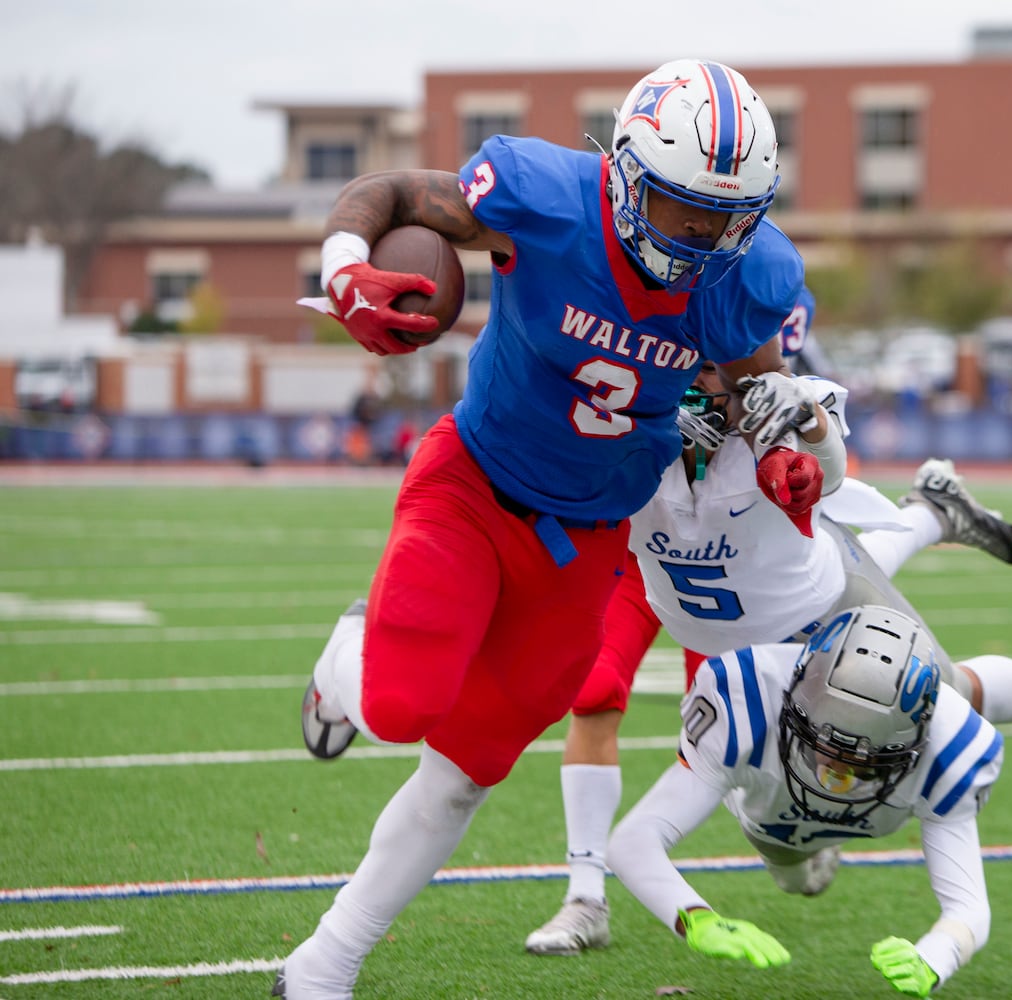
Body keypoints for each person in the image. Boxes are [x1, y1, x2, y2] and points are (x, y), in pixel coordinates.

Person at [276, 59, 817, 999]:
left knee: (467, 772)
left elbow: (750, 388)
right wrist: (346, 271)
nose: (705, 241)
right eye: (687, 214)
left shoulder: (745, 264)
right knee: (403, 709)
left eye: (729, 220)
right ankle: (349, 656)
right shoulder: (545, 196)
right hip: (474, 490)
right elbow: (391, 190)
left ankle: (323, 966)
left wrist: (770, 445)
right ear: (628, 174)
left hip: (592, 543)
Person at [523, 361, 1012, 956]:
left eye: (706, 371)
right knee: (782, 849)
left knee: (938, 695)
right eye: (682, 369)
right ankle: (933, 512)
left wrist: (800, 420)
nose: (693, 387)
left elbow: (825, 473)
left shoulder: (768, 407)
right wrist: (640, 446)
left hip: (826, 605)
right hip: (733, 636)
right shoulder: (620, 426)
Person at [606, 605, 1012, 997]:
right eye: (824, 744)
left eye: (865, 759)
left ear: (913, 740)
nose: (835, 774)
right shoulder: (747, 698)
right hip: (770, 814)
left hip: (880, 784)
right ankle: (928, 514)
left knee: (953, 681)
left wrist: (935, 955)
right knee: (795, 877)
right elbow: (633, 842)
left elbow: (969, 910)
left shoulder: (950, 747)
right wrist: (694, 917)